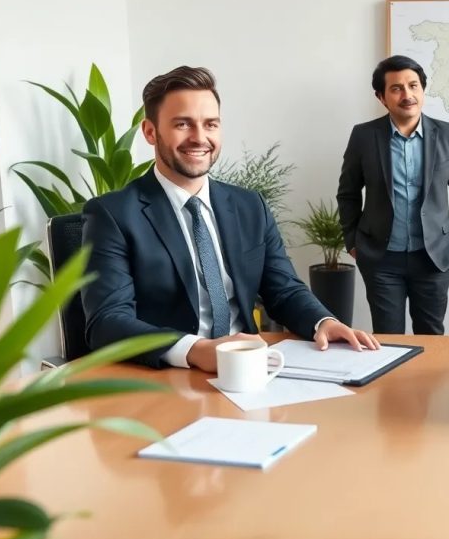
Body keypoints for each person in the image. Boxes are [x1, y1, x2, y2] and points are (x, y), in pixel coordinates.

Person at [81, 66, 378, 372]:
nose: (200, 138)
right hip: (169, 374)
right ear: (150, 132)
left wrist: (323, 321)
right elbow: (107, 320)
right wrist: (194, 350)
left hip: (249, 368)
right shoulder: (113, 214)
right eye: (183, 124)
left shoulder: (249, 206)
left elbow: (284, 289)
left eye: (210, 124)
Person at [337, 55, 449, 335]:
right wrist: (352, 242)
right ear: (381, 97)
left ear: (423, 90)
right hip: (381, 258)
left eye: (413, 86)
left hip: (434, 255)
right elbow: (348, 193)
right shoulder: (364, 136)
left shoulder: (448, 135)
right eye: (396, 88)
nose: (407, 95)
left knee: (432, 336)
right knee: (388, 339)